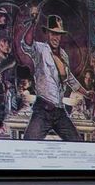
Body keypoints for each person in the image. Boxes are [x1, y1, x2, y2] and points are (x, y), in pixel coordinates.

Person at [13, 12, 88, 142]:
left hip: (60, 112)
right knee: (28, 144)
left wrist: (86, 92)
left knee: (77, 142)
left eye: (58, 34)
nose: (56, 37)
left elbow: (69, 78)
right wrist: (33, 24)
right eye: (53, 33)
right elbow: (26, 44)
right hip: (42, 111)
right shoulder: (40, 49)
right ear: (47, 34)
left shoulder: (63, 55)